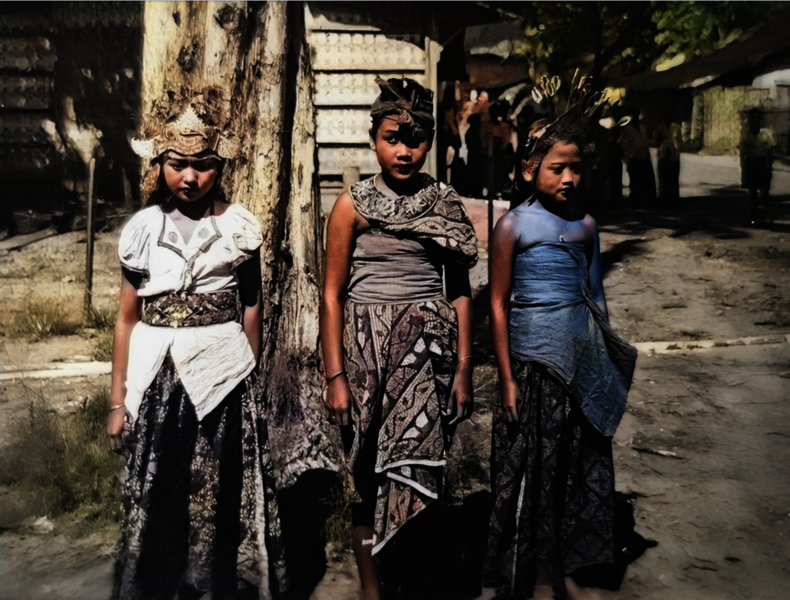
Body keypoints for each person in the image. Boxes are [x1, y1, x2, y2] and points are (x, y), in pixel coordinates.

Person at [107, 91, 285, 600]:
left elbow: (252, 306)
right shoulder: (144, 229)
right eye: (177, 164)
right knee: (160, 490)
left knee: (218, 487)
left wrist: (246, 373)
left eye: (202, 165)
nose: (189, 177)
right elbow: (126, 319)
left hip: (223, 379)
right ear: (160, 164)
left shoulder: (237, 227)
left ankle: (217, 586)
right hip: (157, 381)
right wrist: (118, 401)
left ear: (219, 165)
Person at [320, 76, 478, 599]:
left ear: (431, 141)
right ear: (373, 140)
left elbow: (460, 292)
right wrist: (335, 375)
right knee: (366, 474)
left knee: (419, 468)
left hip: (426, 361)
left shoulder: (444, 203)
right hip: (365, 361)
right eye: (392, 138)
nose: (404, 151)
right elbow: (332, 295)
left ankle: (414, 581)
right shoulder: (352, 206)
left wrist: (463, 368)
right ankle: (372, 590)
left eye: (415, 140)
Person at [484, 88, 638, 599]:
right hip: (531, 365)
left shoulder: (586, 227)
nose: (569, 178)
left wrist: (605, 361)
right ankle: (525, 572)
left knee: (573, 464)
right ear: (530, 169)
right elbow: (498, 304)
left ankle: (564, 568)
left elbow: (596, 297)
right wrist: (507, 378)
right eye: (557, 168)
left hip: (580, 362)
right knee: (532, 467)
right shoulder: (512, 226)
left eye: (576, 168)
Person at [740, 108, 776, 224]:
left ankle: (768, 216)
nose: (754, 121)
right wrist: (743, 168)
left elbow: (771, 151)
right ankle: (754, 217)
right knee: (752, 193)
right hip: (750, 163)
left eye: (756, 118)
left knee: (764, 192)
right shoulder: (745, 135)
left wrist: (769, 165)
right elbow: (742, 152)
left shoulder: (766, 134)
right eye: (751, 119)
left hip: (762, 162)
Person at [619, 115, 656, 204]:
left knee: (642, 180)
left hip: (641, 157)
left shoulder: (640, 127)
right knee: (638, 180)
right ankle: (639, 199)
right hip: (636, 157)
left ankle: (643, 199)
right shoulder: (630, 128)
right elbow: (624, 144)